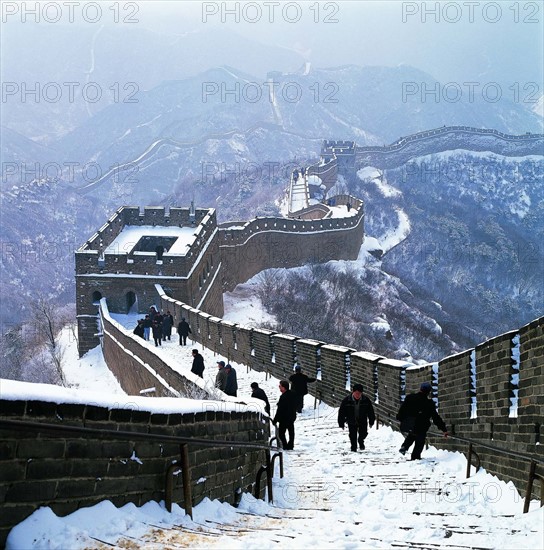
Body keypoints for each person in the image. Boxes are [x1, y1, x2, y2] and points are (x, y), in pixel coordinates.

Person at [397, 382, 448, 460]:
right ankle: (415, 458)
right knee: (419, 442)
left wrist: (400, 419)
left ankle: (405, 446)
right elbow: (435, 417)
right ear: (429, 392)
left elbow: (402, 410)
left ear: (420, 389)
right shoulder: (429, 403)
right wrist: (443, 429)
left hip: (410, 423)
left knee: (412, 433)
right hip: (422, 426)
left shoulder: (410, 397)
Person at [338, 383, 375, 452]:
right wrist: (341, 423)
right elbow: (342, 412)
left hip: (362, 419)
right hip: (351, 419)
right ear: (353, 392)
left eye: (359, 393)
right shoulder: (346, 400)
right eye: (356, 393)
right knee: (352, 435)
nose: (357, 395)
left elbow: (370, 411)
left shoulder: (366, 400)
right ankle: (353, 447)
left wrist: (371, 421)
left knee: (363, 433)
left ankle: (360, 441)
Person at [273, 380, 297, 450]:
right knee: (291, 432)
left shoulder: (283, 397)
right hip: (292, 416)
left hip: (284, 418)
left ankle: (285, 446)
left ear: (284, 388)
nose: (279, 387)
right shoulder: (293, 394)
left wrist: (275, 419)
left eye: (280, 386)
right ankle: (290, 445)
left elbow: (280, 410)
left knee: (281, 433)